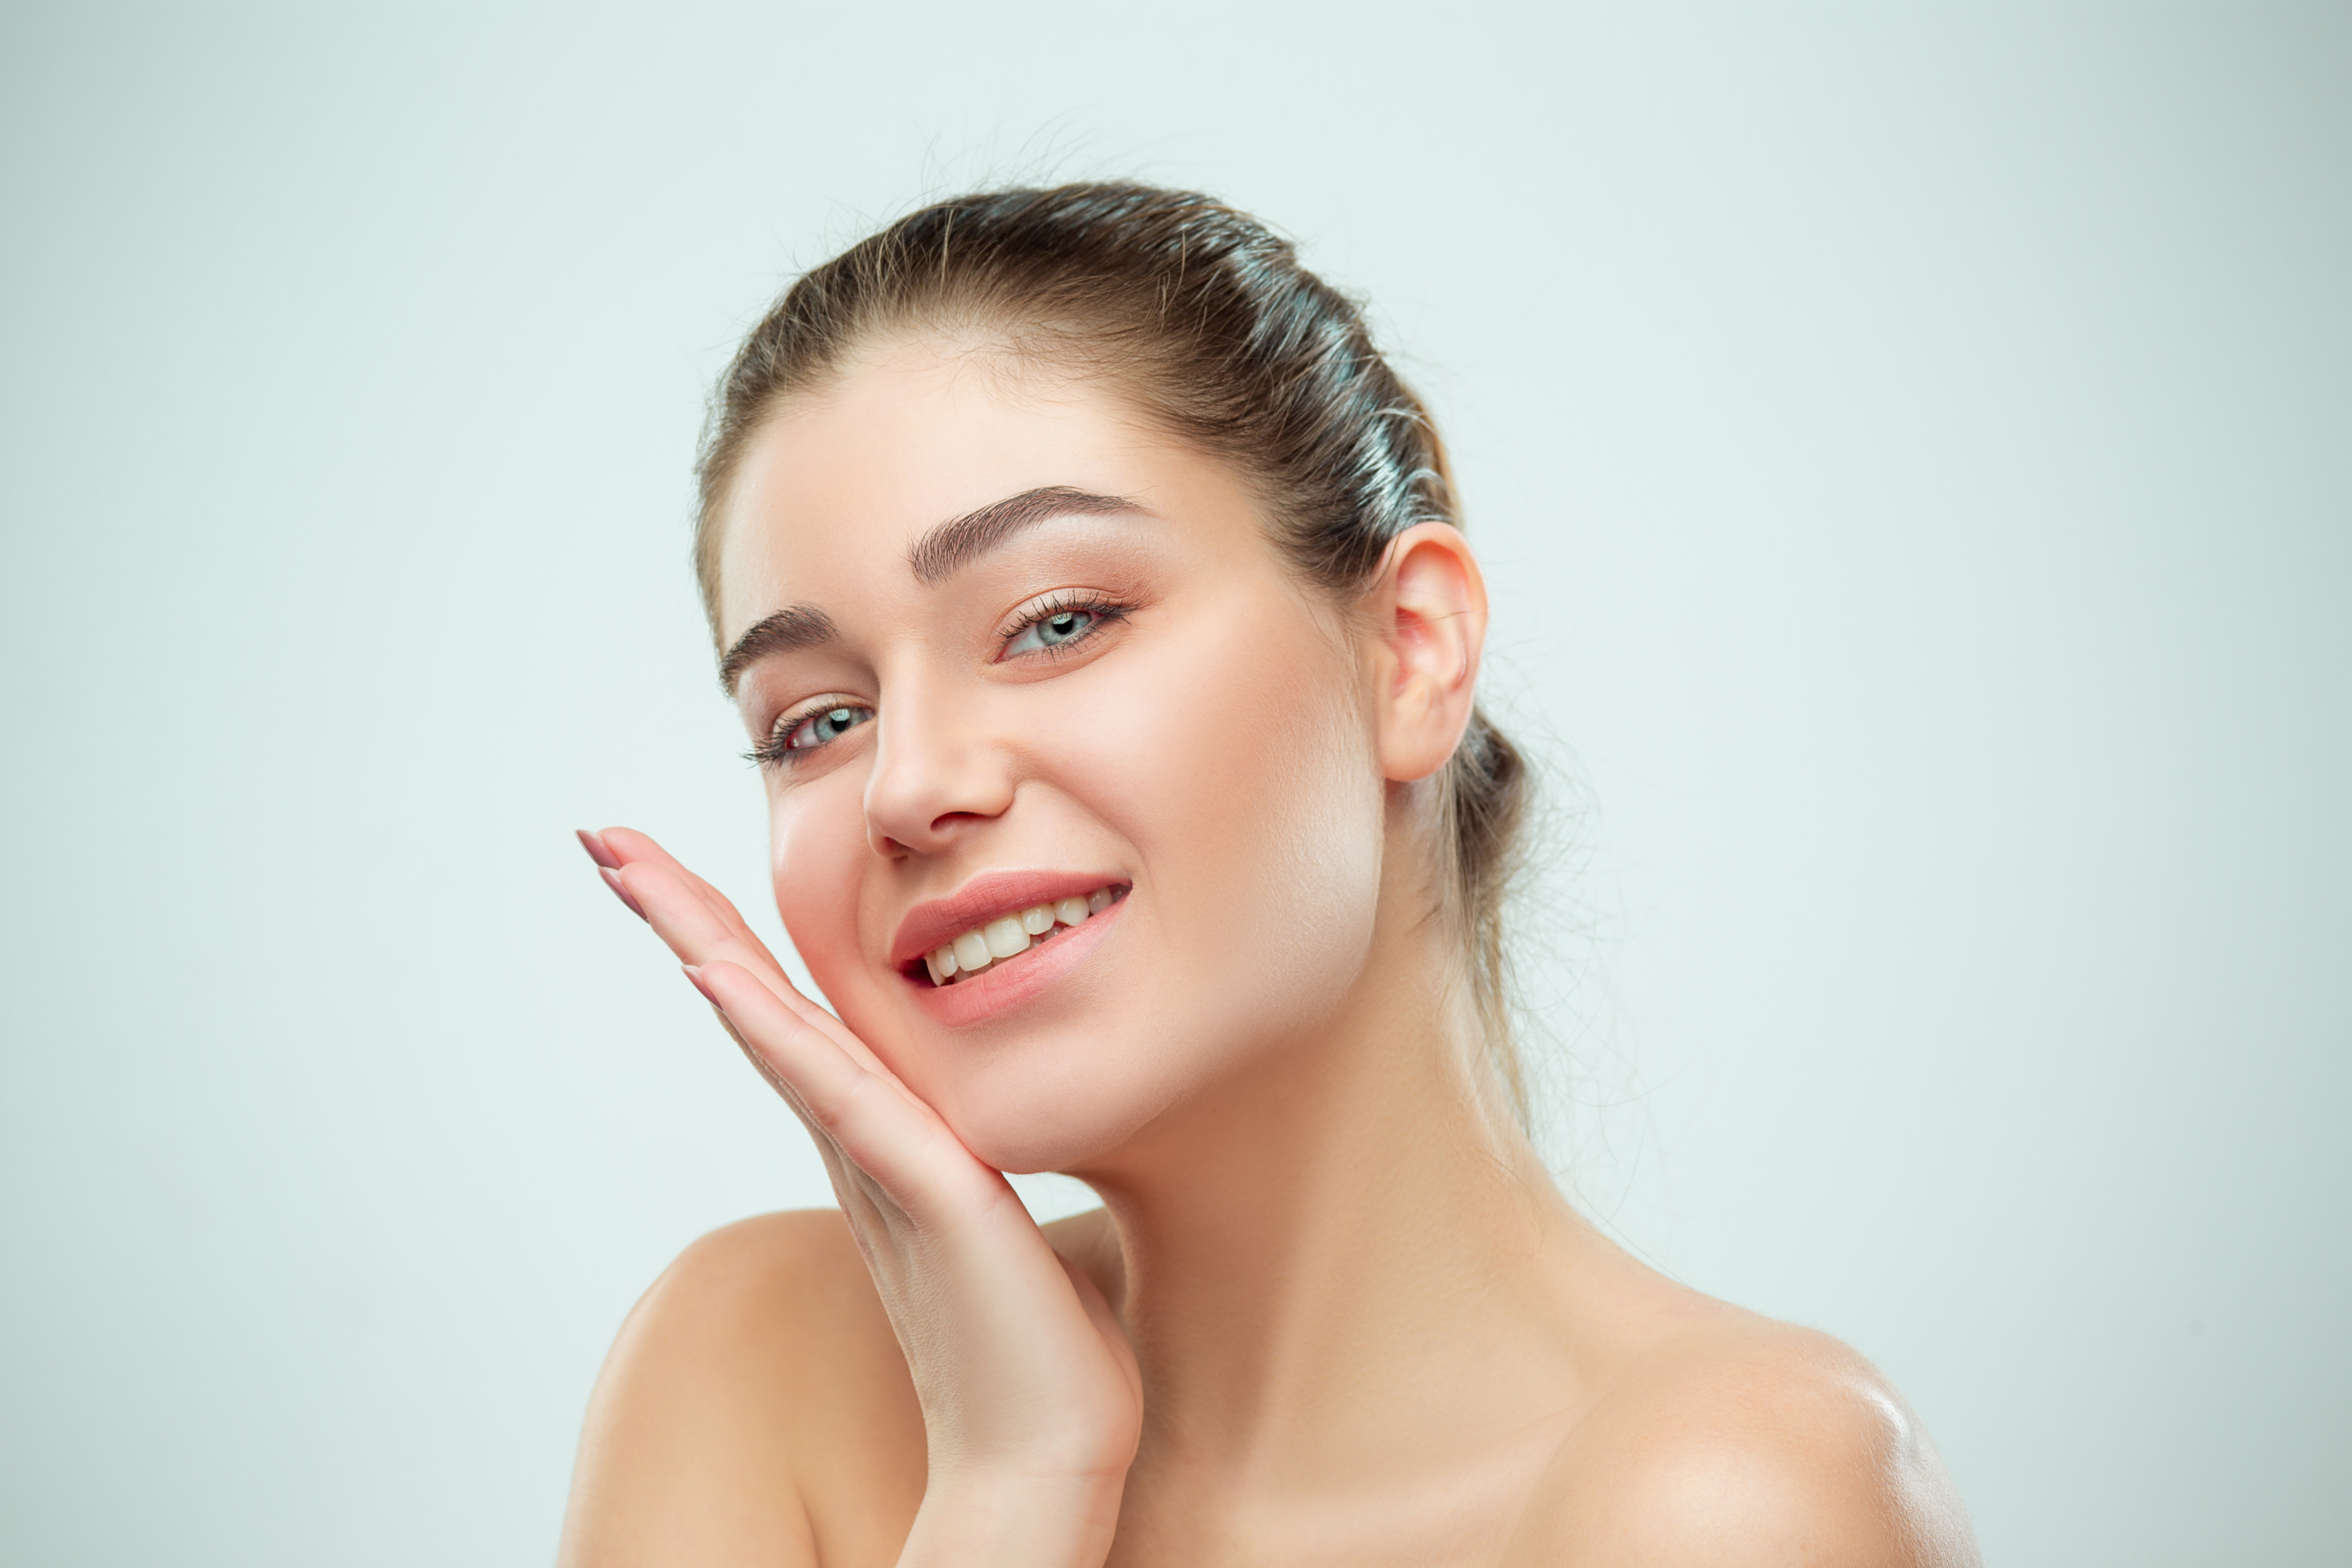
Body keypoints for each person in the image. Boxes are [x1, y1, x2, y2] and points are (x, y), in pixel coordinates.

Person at [557, 183, 1979, 1567]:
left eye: (1057, 623)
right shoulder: (757, 1375)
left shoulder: (1725, 1500)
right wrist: (1013, 1488)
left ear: (1409, 649)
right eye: (819, 720)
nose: (908, 785)